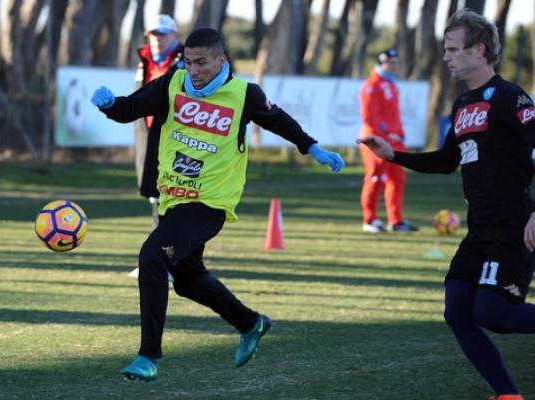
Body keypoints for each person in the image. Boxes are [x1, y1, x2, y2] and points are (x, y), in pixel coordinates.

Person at [91, 27, 345, 382]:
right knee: (187, 279)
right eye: (189, 62)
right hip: (174, 200)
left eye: (202, 62)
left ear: (221, 60)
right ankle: (250, 322)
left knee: (152, 256)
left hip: (210, 203)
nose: (194, 70)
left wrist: (313, 148)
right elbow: (132, 108)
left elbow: (280, 121)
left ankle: (148, 356)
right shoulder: (173, 84)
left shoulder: (243, 94)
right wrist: (109, 105)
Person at [358, 8, 535, 400]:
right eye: (446, 48)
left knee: (492, 315)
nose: (446, 57)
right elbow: (445, 161)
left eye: (454, 49)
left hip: (513, 224)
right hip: (480, 228)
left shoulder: (510, 97)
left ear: (480, 50)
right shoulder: (462, 105)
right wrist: (393, 156)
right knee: (457, 311)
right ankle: (508, 394)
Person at [358, 48, 418, 233]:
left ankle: (396, 220)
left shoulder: (391, 85)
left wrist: (399, 134)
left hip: (394, 141)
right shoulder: (372, 86)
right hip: (375, 141)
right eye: (390, 63)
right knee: (375, 178)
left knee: (397, 179)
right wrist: (382, 137)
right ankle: (370, 220)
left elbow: (394, 116)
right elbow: (370, 117)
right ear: (381, 64)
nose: (394, 67)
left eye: (396, 63)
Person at [134, 14, 185, 231]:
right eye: (154, 34)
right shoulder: (144, 60)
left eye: (163, 34)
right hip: (146, 129)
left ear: (174, 34)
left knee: (172, 191)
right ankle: (159, 248)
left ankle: (166, 251)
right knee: (152, 189)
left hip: (174, 134)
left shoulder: (186, 61)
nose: (158, 38)